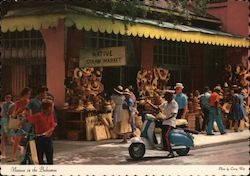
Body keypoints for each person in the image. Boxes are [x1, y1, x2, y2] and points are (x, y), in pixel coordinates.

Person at [148, 90, 178, 158]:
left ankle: (171, 152)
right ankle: (158, 144)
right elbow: (158, 108)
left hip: (170, 123)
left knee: (165, 135)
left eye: (166, 96)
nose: (165, 98)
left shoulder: (174, 104)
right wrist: (149, 104)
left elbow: (173, 115)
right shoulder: (166, 103)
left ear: (170, 96)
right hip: (164, 122)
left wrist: (165, 118)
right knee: (155, 128)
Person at [26, 99, 56, 164]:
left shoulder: (51, 115)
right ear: (49, 108)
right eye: (52, 107)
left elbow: (52, 126)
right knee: (39, 160)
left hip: (48, 139)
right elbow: (28, 120)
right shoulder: (38, 116)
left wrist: (48, 132)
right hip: (39, 139)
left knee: (50, 160)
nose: (53, 109)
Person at [8, 87, 32, 162]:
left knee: (25, 139)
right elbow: (14, 113)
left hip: (26, 122)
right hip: (18, 121)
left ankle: (15, 156)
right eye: (28, 94)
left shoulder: (28, 102)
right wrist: (16, 114)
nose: (29, 96)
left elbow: (29, 113)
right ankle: (15, 155)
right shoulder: (18, 102)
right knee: (16, 139)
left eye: (29, 94)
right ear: (24, 94)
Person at [0, 93, 14, 159]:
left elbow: (10, 113)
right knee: (2, 138)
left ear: (10, 99)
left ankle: (19, 147)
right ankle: (2, 154)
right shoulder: (3, 104)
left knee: (9, 140)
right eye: (6, 98)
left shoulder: (12, 104)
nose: (7, 99)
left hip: (8, 122)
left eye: (9, 98)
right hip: (3, 121)